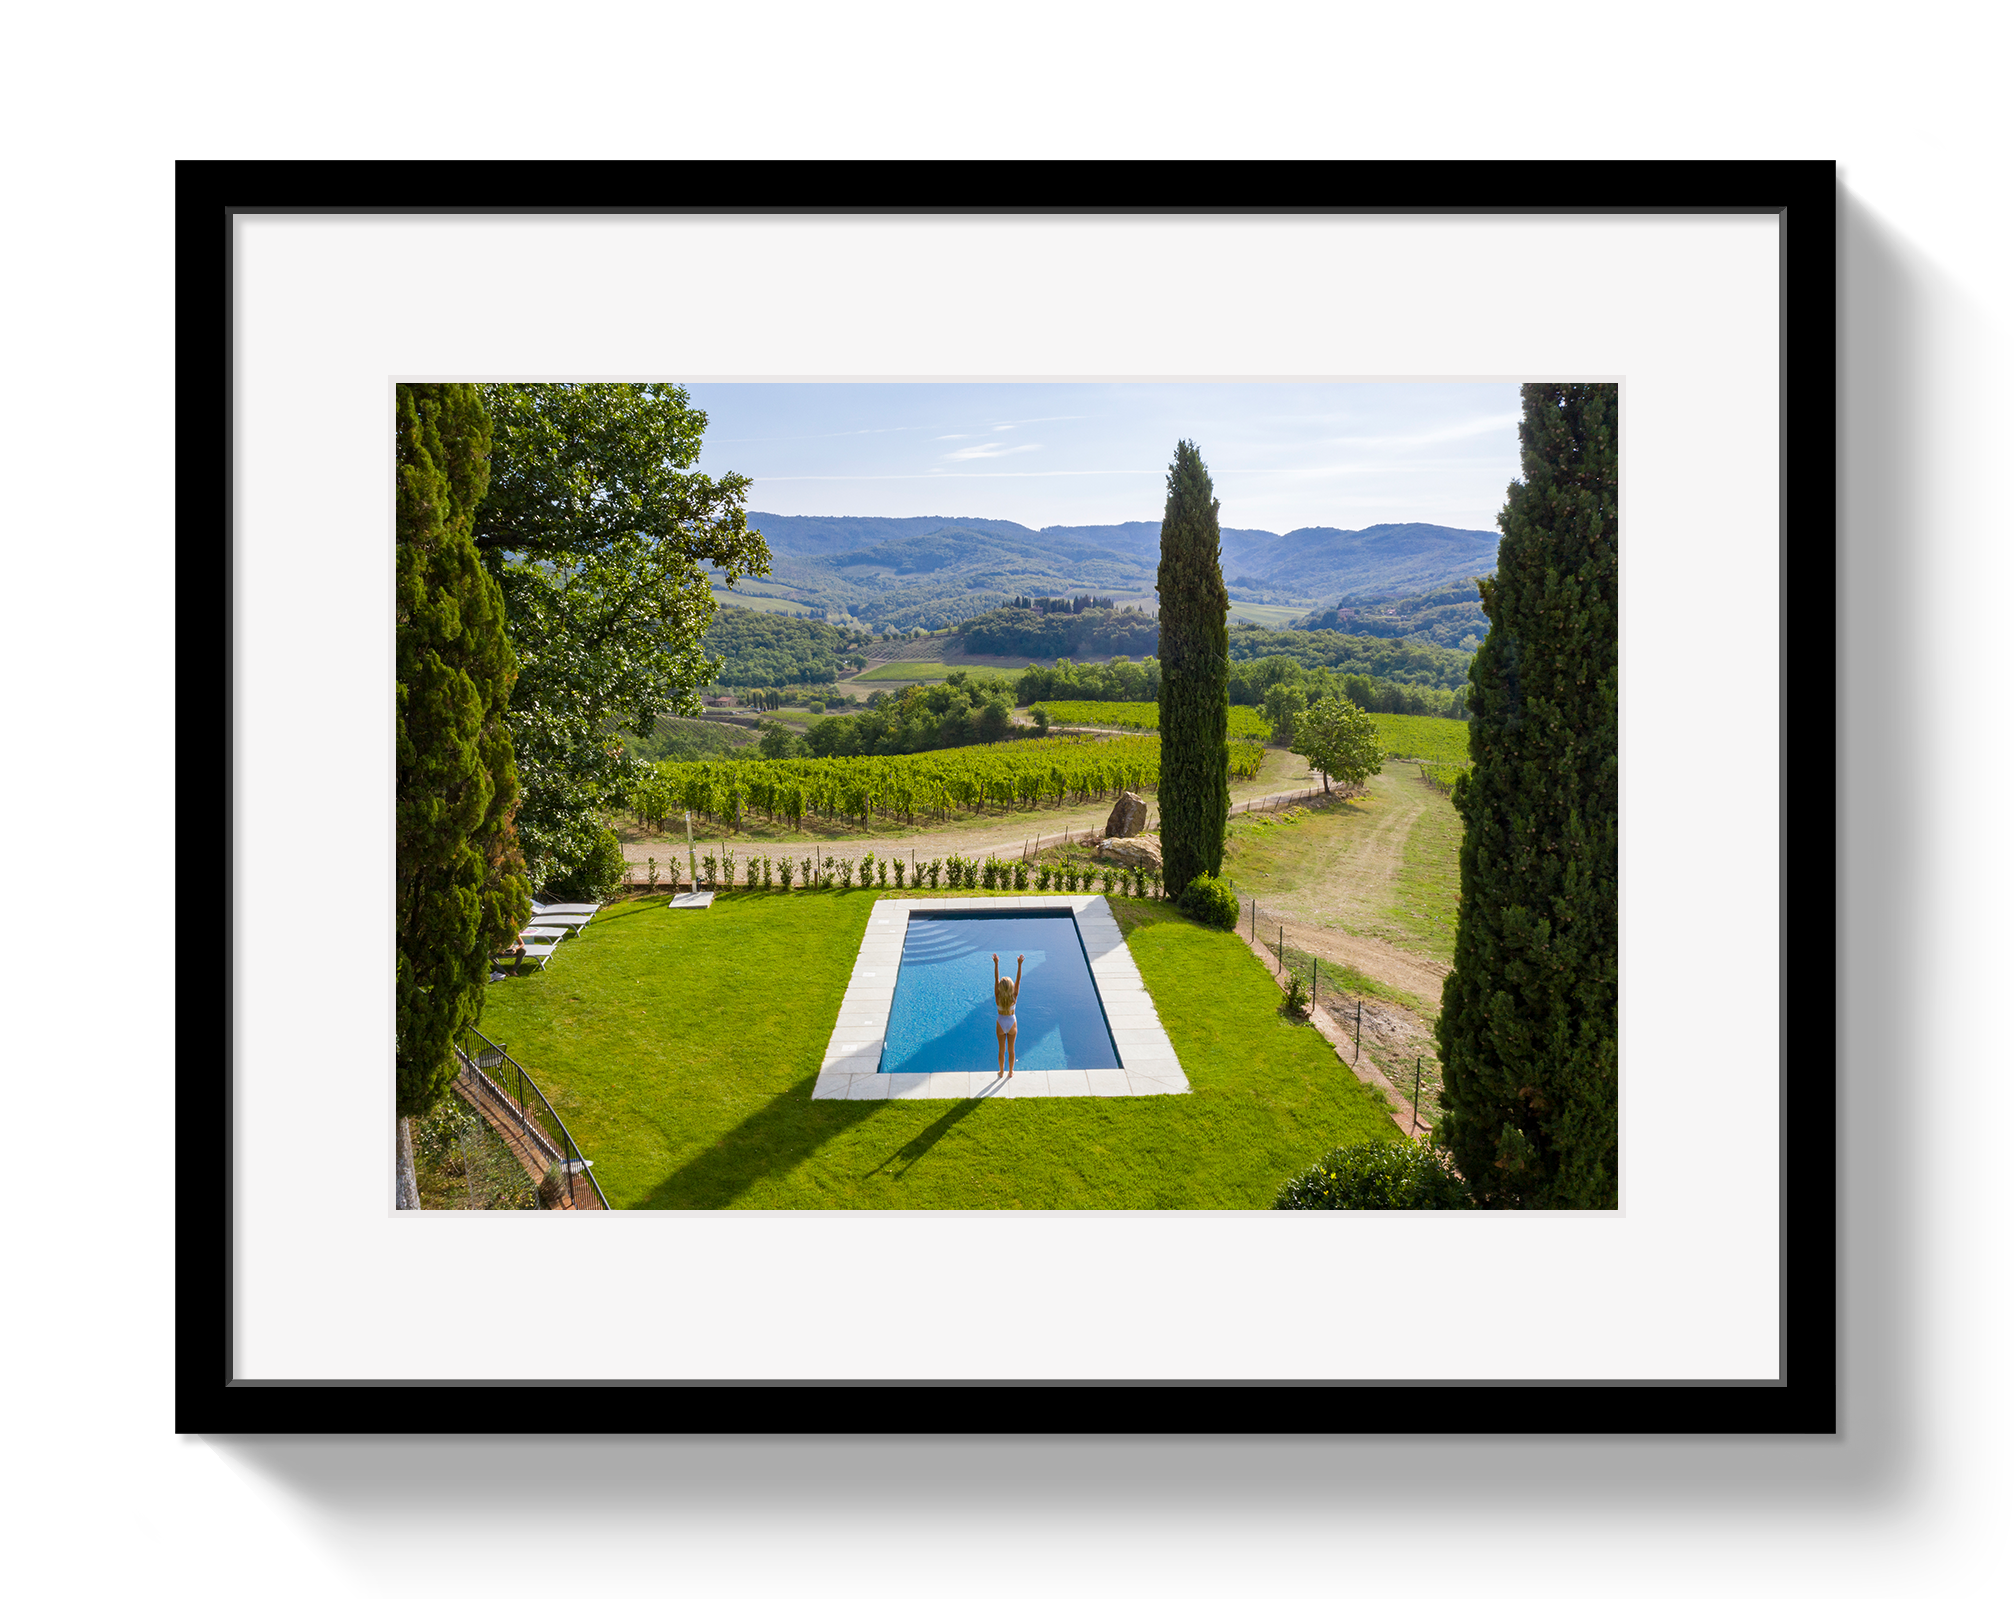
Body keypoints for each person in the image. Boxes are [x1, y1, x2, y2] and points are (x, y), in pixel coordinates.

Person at [992, 953, 1024, 1077]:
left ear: (1000, 987)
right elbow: (1018, 980)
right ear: (1011, 987)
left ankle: (1001, 1071)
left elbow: (996, 979)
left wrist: (996, 964)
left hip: (1001, 1023)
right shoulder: (1014, 996)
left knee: (1001, 1050)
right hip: (1011, 1023)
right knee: (1011, 1050)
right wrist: (1019, 965)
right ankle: (1010, 1072)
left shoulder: (998, 996)